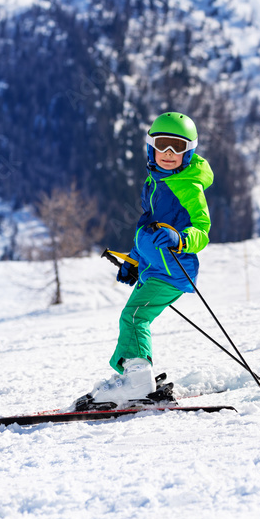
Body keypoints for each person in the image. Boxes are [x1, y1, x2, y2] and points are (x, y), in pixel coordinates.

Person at [71, 112, 213, 411]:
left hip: (174, 271)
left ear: (190, 151)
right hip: (154, 268)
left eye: (178, 147)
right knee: (131, 318)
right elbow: (146, 229)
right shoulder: (154, 182)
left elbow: (202, 230)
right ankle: (134, 377)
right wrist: (134, 261)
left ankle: (139, 384)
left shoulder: (189, 187)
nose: (170, 154)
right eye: (163, 145)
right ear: (151, 147)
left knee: (135, 318)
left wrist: (181, 238)